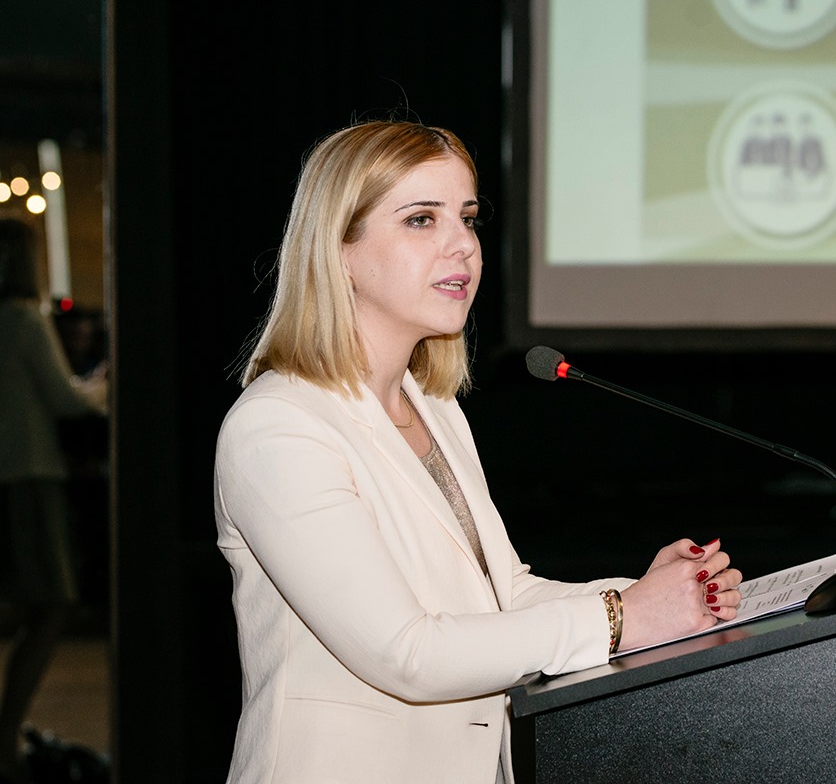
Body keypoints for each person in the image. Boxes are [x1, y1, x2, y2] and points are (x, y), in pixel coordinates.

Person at [214, 119, 744, 783]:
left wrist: (651, 595)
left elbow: (502, 594)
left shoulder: (433, 407)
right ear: (339, 249)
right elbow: (407, 652)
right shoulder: (279, 427)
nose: (463, 244)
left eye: (466, 218)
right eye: (421, 219)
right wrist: (622, 618)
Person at [0, 217, 107, 784]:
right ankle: (6, 735)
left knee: (25, 604)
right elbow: (65, 400)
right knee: (52, 602)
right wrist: (105, 384)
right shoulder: (22, 318)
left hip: (7, 473)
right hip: (30, 473)